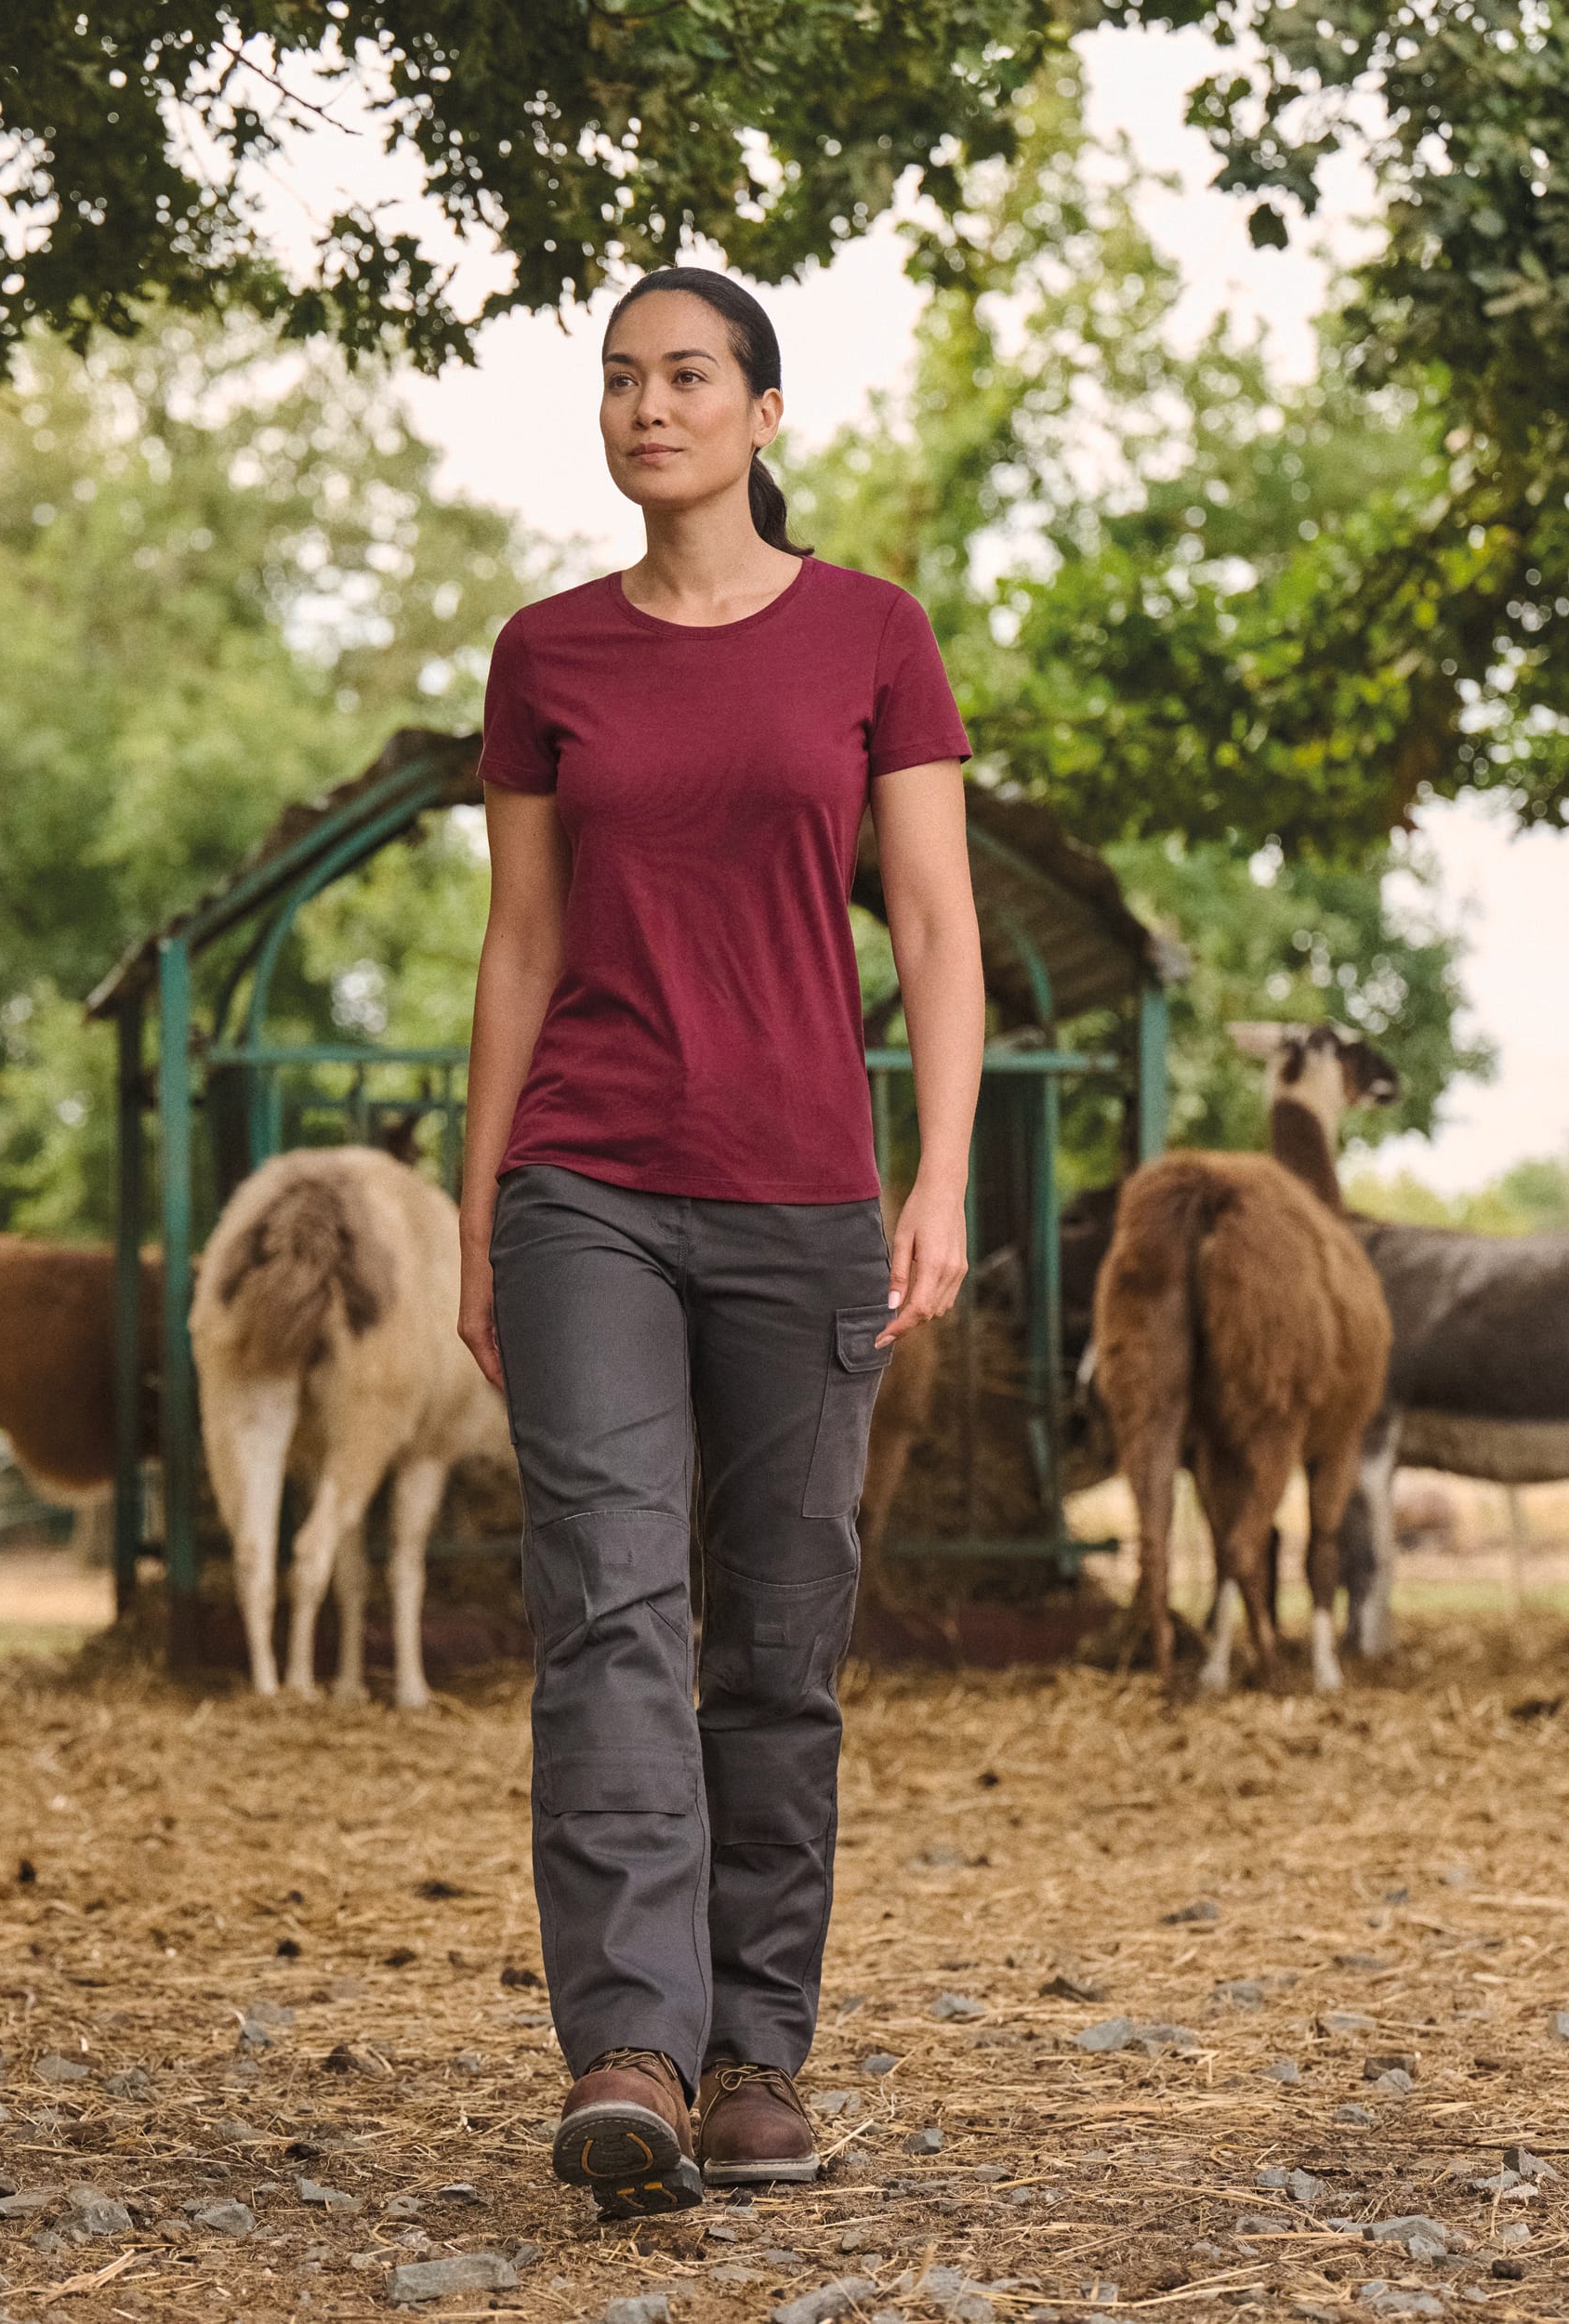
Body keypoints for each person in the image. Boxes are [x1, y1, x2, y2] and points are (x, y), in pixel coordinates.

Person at [456, 265, 987, 2217]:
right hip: (586, 1183)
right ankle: (629, 2051)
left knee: (779, 1636)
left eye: (688, 377)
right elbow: (518, 940)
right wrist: (474, 1195)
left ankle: (762, 2053)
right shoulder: (546, 655)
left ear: (767, 415)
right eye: (620, 379)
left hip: (806, 1201)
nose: (647, 405)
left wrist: (936, 1176)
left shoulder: (872, 637)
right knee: (607, 1606)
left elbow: (933, 924)